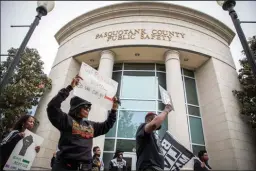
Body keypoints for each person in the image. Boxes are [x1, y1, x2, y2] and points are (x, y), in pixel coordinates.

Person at [47, 75, 119, 171]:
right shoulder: (66, 120)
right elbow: (52, 107)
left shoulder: (90, 125)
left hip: (85, 167)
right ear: (77, 107)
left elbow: (107, 125)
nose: (88, 109)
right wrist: (69, 88)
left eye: (89, 108)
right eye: (85, 107)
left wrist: (113, 110)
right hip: (65, 166)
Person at [135, 104, 173, 171]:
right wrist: (166, 110)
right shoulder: (143, 127)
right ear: (150, 120)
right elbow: (154, 124)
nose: (160, 122)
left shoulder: (154, 134)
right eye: (156, 117)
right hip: (149, 167)